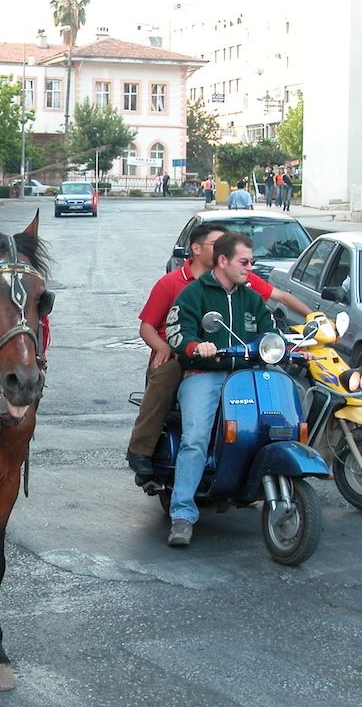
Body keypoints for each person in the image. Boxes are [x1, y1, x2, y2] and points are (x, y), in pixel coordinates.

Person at [126, 224, 311, 478]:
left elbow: (278, 300)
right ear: (196, 249)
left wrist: (312, 320)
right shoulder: (173, 283)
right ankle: (141, 449)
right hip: (181, 354)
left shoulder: (239, 278)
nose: (224, 247)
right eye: (217, 242)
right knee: (166, 377)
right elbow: (147, 327)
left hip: (231, 357)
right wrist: (165, 347)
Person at [163, 232, 278, 547]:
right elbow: (175, 331)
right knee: (195, 439)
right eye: (244, 262)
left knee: (273, 426)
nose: (249, 268)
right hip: (204, 375)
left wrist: (285, 346)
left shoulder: (250, 297)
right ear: (223, 261)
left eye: (251, 262)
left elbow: (270, 331)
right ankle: (183, 514)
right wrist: (196, 346)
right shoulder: (195, 295)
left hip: (246, 375)